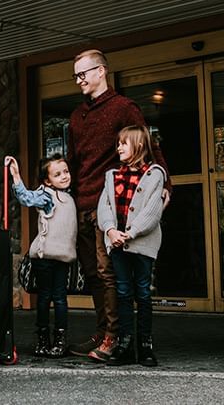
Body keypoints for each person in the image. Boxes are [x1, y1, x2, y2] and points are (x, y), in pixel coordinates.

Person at [66, 49, 172, 362]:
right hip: (81, 202)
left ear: (101, 72)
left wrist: (165, 183)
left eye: (83, 73)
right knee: (92, 274)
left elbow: (146, 144)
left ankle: (115, 337)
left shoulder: (124, 108)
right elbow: (73, 161)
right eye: (75, 75)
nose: (79, 80)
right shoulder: (75, 116)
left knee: (108, 272)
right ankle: (103, 331)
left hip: (110, 205)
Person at [97, 125, 166, 367]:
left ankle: (145, 345)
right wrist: (110, 230)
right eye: (118, 143)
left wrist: (131, 233)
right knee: (124, 293)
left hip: (142, 244)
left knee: (143, 293)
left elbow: (152, 211)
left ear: (138, 145)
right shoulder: (112, 175)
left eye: (123, 143)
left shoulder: (155, 174)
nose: (118, 148)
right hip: (117, 244)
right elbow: (104, 206)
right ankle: (124, 344)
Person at [5, 154, 77, 358]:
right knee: (45, 297)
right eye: (57, 174)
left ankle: (60, 338)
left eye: (66, 172)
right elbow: (26, 198)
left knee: (61, 299)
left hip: (63, 257)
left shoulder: (70, 197)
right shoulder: (46, 195)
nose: (64, 176)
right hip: (45, 257)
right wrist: (17, 177)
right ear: (47, 180)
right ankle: (43, 337)